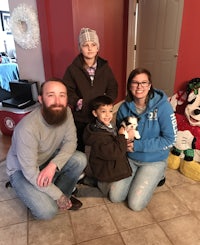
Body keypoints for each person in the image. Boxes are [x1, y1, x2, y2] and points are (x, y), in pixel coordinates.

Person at [6, 78, 87, 220]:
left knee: (80, 159)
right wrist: (57, 195)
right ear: (41, 99)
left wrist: (53, 165)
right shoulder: (27, 128)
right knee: (47, 212)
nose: (57, 101)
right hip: (22, 170)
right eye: (51, 95)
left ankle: (60, 194)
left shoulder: (66, 112)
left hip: (46, 159)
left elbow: (71, 142)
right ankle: (48, 193)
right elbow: (30, 172)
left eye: (62, 95)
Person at [109, 68, 177, 211]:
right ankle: (137, 178)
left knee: (135, 204)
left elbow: (170, 139)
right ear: (129, 86)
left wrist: (138, 145)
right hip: (131, 157)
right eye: (135, 83)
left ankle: (159, 175)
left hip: (154, 159)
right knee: (115, 196)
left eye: (144, 83)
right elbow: (120, 134)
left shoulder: (163, 107)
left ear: (150, 85)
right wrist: (124, 143)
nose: (139, 87)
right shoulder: (123, 108)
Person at [63, 27, 118, 152]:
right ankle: (82, 165)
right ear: (80, 48)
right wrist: (78, 102)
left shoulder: (105, 68)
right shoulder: (72, 69)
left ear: (97, 47)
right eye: (85, 45)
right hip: (81, 116)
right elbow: (67, 90)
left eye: (93, 45)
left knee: (100, 141)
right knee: (80, 143)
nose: (90, 48)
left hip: (100, 114)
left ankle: (98, 163)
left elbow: (113, 87)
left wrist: (106, 104)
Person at [83, 95, 132, 194]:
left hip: (108, 165)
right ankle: (99, 183)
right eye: (103, 111)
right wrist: (122, 135)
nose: (108, 115)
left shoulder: (108, 126)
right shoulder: (98, 136)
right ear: (95, 113)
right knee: (118, 192)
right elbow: (115, 152)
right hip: (106, 172)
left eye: (110, 111)